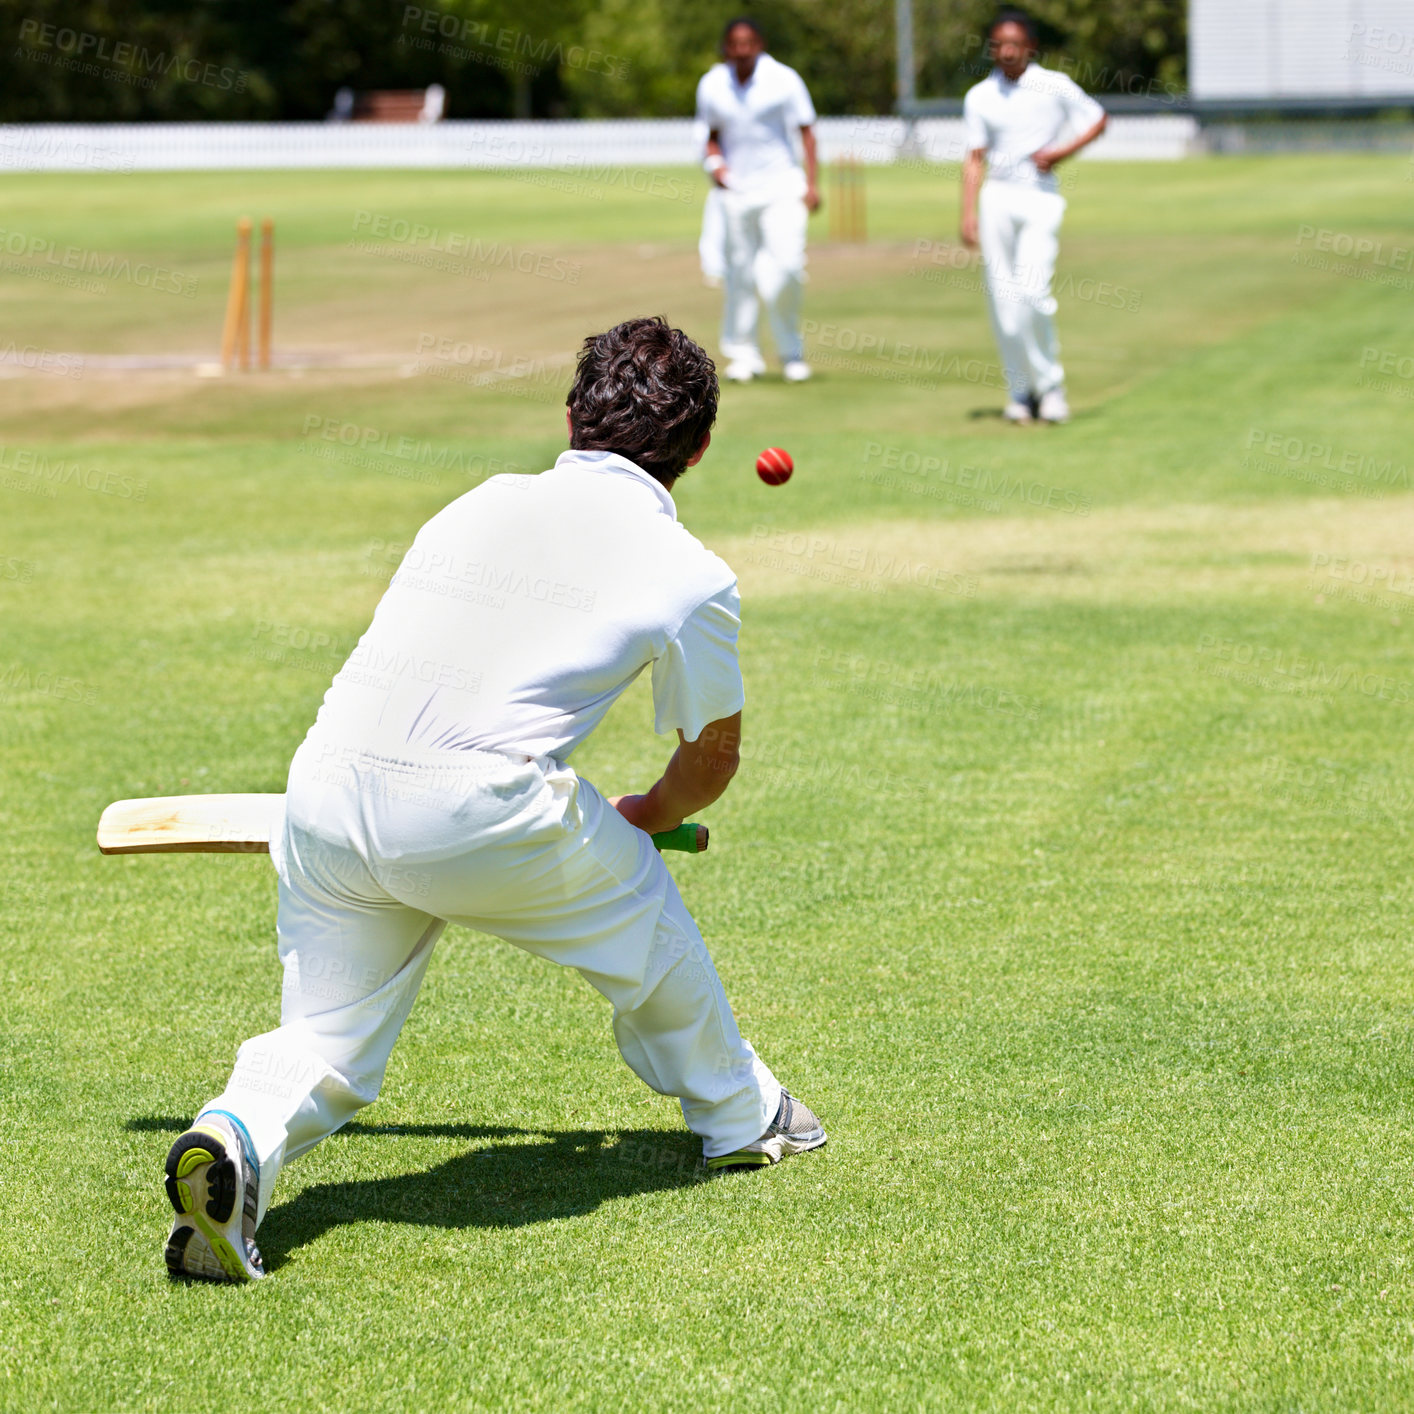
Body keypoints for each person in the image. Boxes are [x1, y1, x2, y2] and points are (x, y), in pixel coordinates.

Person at [161, 317, 827, 1284]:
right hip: (479, 811)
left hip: (325, 790)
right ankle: (742, 1116)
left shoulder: (476, 503)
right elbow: (710, 759)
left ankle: (234, 1137)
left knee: (326, 1040)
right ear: (701, 448)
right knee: (642, 918)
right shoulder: (693, 575)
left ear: (569, 415)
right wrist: (644, 813)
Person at [960, 8, 1107, 424]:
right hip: (997, 199)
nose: (1007, 52)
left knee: (1033, 293)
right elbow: (974, 158)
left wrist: (1060, 152)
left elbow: (1098, 119)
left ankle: (1051, 387)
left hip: (1040, 197)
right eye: (999, 44)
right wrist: (967, 213)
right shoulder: (979, 96)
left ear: (1030, 47)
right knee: (1004, 301)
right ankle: (1019, 392)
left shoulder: (1053, 85)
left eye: (1015, 44)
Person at [695, 17, 820, 384]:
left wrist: (812, 184)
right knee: (740, 273)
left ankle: (790, 351)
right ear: (726, 48)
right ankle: (744, 353)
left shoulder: (784, 79)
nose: (742, 50)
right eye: (735, 43)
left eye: (748, 42)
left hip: (782, 184)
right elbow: (710, 134)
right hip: (737, 189)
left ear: (760, 44)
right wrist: (716, 167)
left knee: (787, 268)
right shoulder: (713, 83)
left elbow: (807, 131)